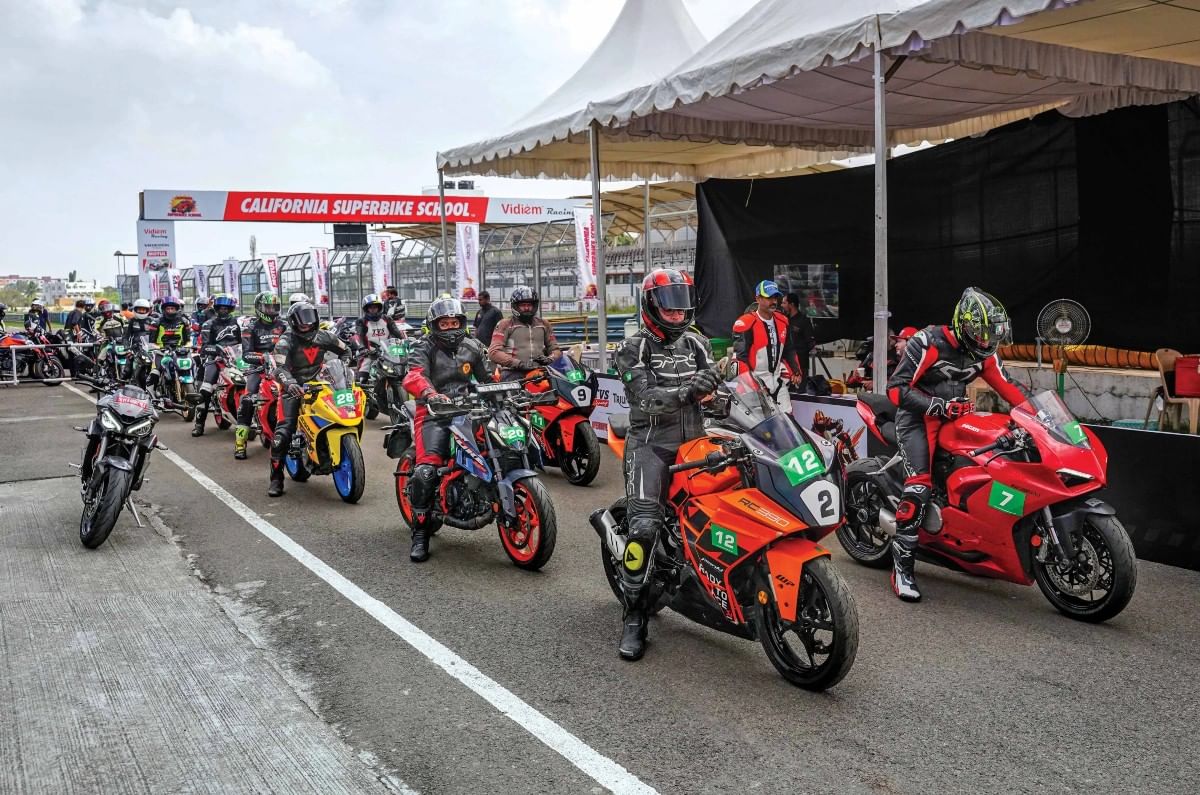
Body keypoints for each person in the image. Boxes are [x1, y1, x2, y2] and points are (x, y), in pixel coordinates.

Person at [886, 288, 1027, 602]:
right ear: (963, 327)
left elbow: (1010, 387)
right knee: (919, 486)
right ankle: (902, 569)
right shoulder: (928, 342)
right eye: (982, 336)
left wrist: (1038, 415)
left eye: (991, 337)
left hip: (956, 418)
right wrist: (938, 406)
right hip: (917, 418)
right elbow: (895, 389)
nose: (987, 343)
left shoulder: (985, 352)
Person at [613, 268, 720, 661]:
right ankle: (634, 616)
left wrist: (723, 396)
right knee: (643, 528)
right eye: (669, 310)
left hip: (695, 440)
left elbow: (717, 386)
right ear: (651, 307)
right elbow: (646, 400)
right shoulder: (631, 348)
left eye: (681, 310)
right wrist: (691, 390)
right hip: (651, 446)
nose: (677, 317)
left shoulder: (697, 343)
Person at [401, 298, 498, 562]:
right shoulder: (424, 347)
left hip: (470, 410)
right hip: (434, 413)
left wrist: (505, 391)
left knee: (501, 447)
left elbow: (489, 378)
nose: (450, 328)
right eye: (444, 324)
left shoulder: (473, 346)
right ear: (434, 325)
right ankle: (420, 533)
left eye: (455, 323)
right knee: (426, 471)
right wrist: (431, 395)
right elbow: (414, 376)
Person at [269, 302, 351, 497]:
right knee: (283, 432)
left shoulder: (325, 336)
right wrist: (289, 383)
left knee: (342, 413)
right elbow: (278, 368)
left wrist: (346, 367)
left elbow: (345, 351)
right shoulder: (285, 341)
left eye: (309, 321)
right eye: (301, 323)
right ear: (293, 323)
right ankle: (276, 478)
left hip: (322, 384)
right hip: (293, 388)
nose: (306, 325)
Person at [233, 292, 285, 460]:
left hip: (283, 368)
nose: (271, 310)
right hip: (259, 369)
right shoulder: (251, 327)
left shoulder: (284, 326)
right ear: (259, 308)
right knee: (247, 400)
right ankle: (240, 444)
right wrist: (263, 358)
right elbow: (246, 354)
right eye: (268, 307)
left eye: (274, 307)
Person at [191, 294, 242, 437]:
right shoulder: (209, 324)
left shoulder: (237, 323)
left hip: (235, 358)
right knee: (206, 389)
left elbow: (244, 342)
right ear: (216, 308)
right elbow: (204, 346)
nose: (223, 311)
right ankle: (199, 425)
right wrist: (216, 349)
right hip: (215, 359)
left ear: (231, 309)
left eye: (226, 308)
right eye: (220, 308)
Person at [487, 285, 561, 380]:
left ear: (534, 306)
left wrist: (550, 359)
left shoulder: (544, 324)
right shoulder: (505, 324)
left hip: (540, 371)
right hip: (512, 372)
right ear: (515, 306)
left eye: (529, 305)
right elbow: (493, 352)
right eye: (523, 305)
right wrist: (518, 364)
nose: (526, 308)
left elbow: (555, 349)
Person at [732, 280, 791, 399]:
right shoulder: (745, 322)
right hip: (753, 386)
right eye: (769, 297)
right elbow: (738, 359)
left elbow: (789, 349)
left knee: (787, 416)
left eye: (775, 297)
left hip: (778, 384)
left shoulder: (783, 321)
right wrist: (752, 385)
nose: (773, 301)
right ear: (758, 299)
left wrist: (795, 371)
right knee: (760, 417)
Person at [354, 293, 408, 383]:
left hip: (388, 352)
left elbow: (397, 332)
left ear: (379, 308)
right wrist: (362, 348)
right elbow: (359, 336)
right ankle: (363, 391)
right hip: (370, 353)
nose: (373, 310)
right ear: (366, 309)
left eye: (375, 307)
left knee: (403, 367)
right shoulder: (362, 322)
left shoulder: (387, 319)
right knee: (362, 376)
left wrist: (405, 341)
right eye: (370, 308)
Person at [145, 295, 191, 390]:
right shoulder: (156, 322)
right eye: (168, 308)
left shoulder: (184, 322)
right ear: (163, 309)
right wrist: (156, 347)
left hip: (180, 351)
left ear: (177, 309)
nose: (170, 311)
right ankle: (153, 395)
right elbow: (151, 341)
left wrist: (188, 345)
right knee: (154, 374)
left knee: (194, 364)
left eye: (172, 308)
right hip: (161, 351)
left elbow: (188, 339)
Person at [782, 292, 815, 387]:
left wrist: (798, 353)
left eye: (784, 303)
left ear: (791, 305)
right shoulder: (783, 320)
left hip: (801, 365)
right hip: (785, 365)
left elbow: (811, 342)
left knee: (801, 392)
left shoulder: (804, 320)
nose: (781, 305)